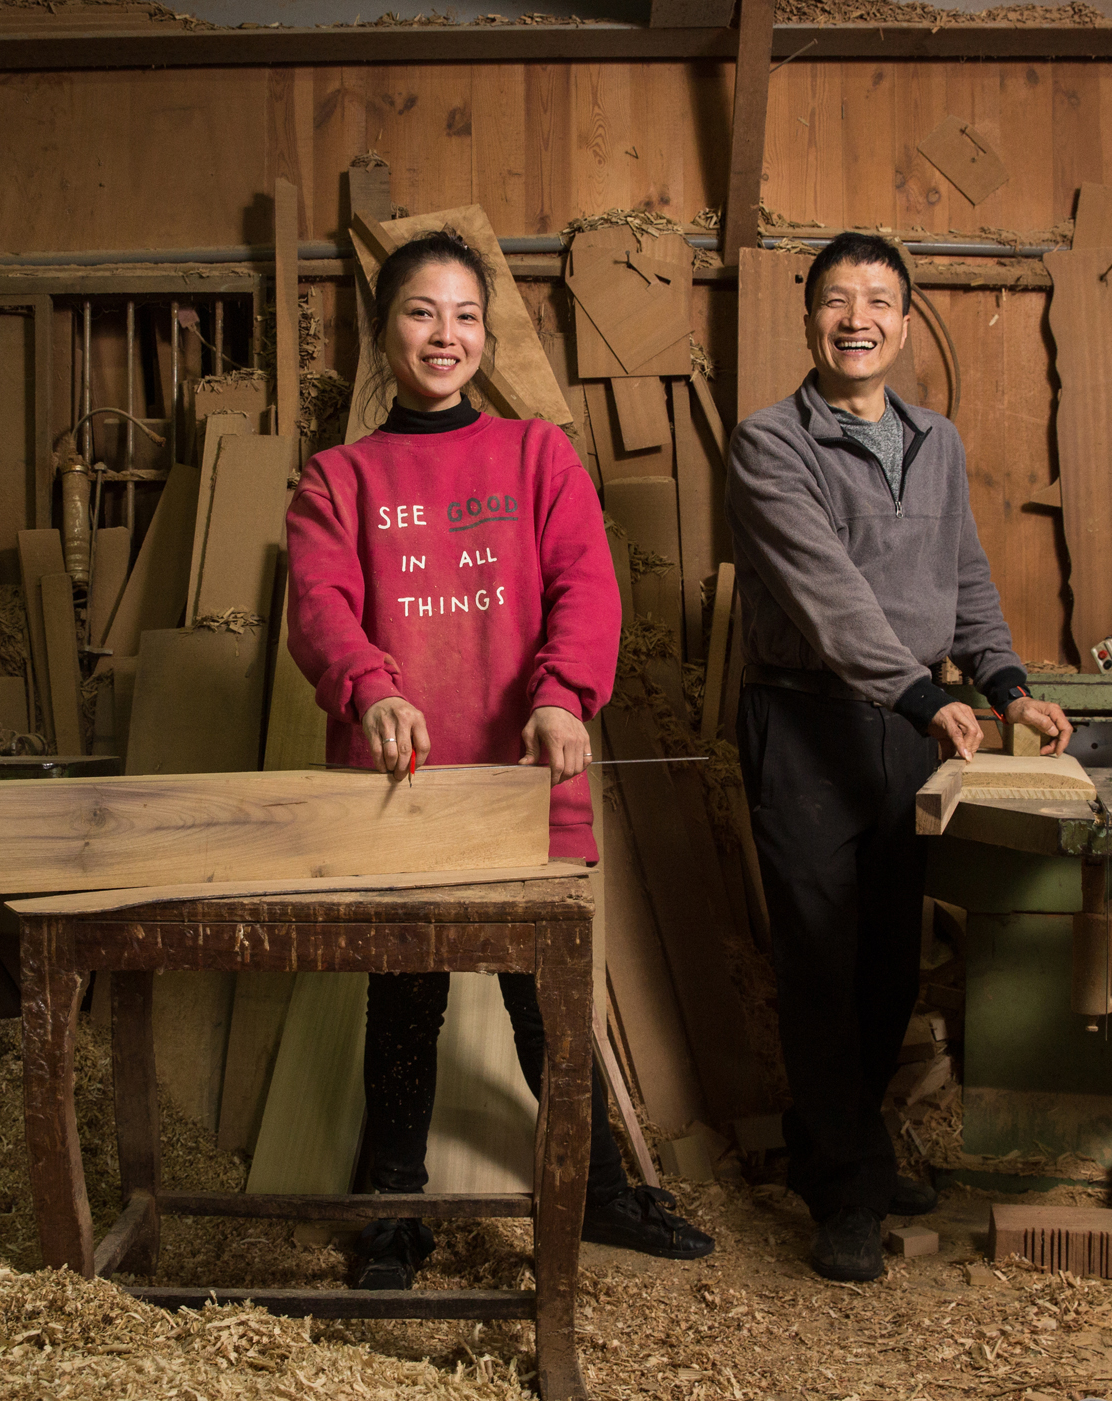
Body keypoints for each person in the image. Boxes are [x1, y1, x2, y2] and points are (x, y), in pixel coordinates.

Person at [284, 228, 714, 1290]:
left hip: (528, 780)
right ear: (383, 333)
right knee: (404, 994)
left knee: (546, 998)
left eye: (465, 315)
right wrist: (372, 689)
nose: (446, 334)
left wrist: (564, 697)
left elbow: (585, 589)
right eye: (422, 313)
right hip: (403, 796)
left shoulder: (538, 457)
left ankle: (602, 1193)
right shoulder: (339, 478)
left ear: (485, 333)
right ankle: (391, 1207)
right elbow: (319, 610)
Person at [726, 231, 1073, 1282]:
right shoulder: (768, 442)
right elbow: (825, 596)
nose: (856, 318)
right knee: (820, 959)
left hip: (907, 727)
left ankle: (844, 1148)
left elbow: (962, 569)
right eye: (836, 300)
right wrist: (925, 693)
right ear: (808, 319)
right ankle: (844, 1193)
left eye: (877, 299)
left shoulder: (937, 438)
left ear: (905, 321)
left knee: (887, 961)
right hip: (804, 722)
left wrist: (1004, 680)